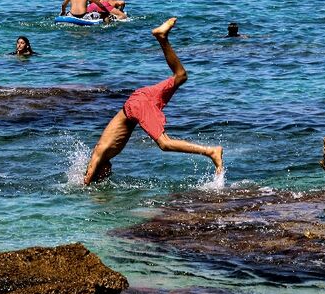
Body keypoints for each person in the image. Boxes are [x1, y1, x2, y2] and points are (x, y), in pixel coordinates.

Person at [83, 17, 224, 185]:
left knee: (165, 143)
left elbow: (89, 173)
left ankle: (211, 152)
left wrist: (85, 185)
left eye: (103, 175)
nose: (107, 174)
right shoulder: (105, 152)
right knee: (180, 76)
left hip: (136, 106)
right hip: (139, 98)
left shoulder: (99, 153)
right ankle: (162, 38)